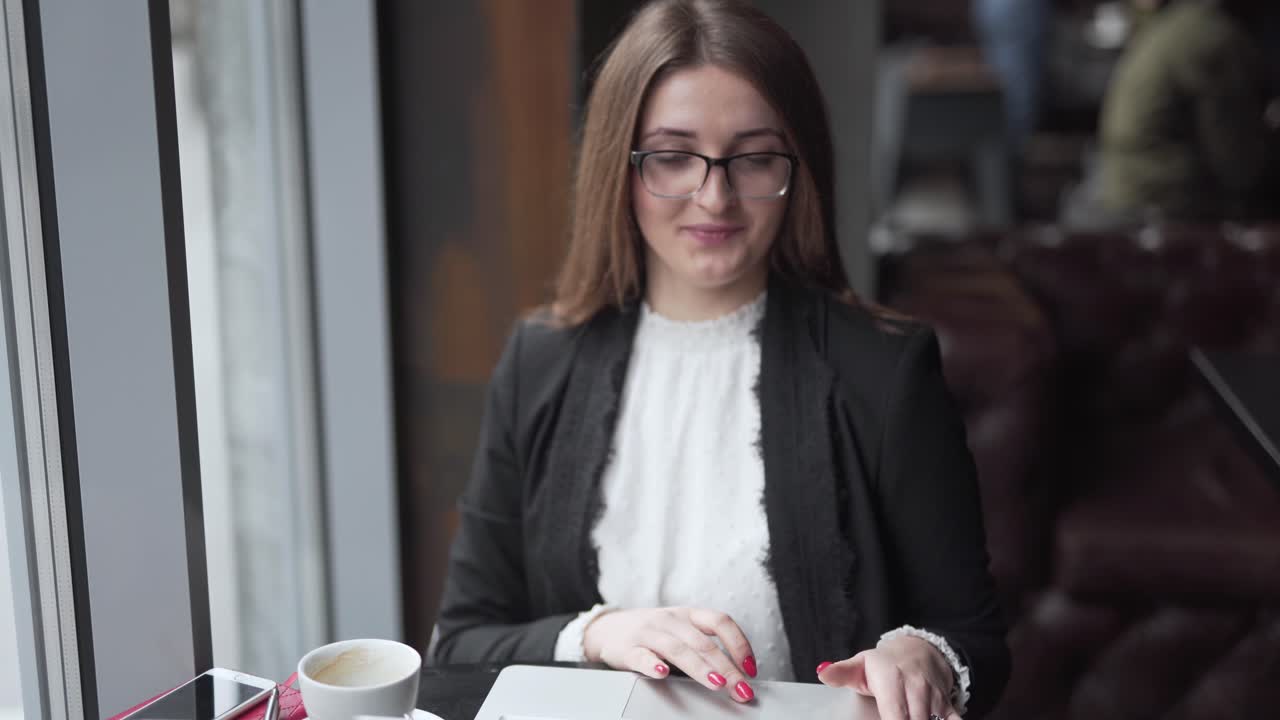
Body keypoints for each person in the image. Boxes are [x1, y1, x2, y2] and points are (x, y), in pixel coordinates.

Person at [433, 2, 1010, 718]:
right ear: (619, 165)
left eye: (755, 157)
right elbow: (458, 647)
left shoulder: (886, 370)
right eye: (672, 156)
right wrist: (597, 634)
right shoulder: (539, 361)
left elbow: (975, 638)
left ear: (797, 167)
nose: (715, 197)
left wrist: (924, 656)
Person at [1069, 0, 1277, 225]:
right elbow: (1238, 163)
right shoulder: (1212, 35)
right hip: (1158, 206)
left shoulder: (1175, 25)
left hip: (1118, 192)